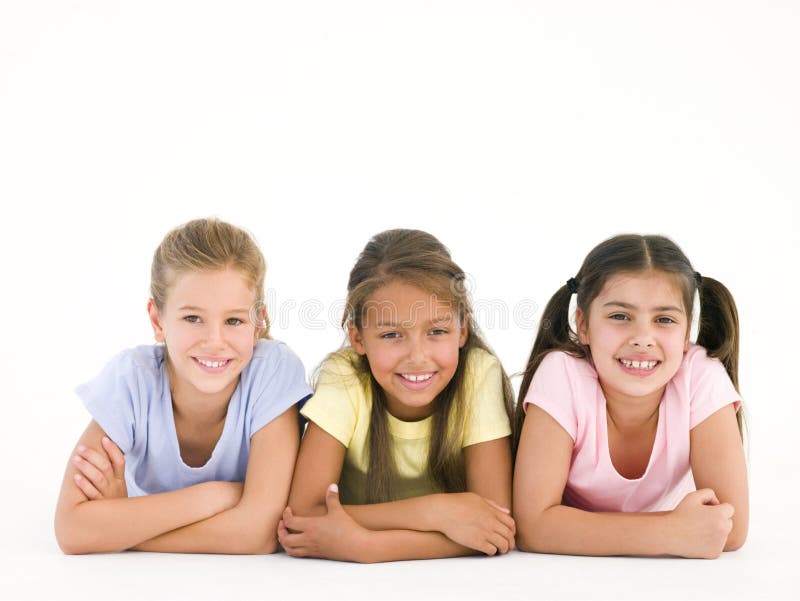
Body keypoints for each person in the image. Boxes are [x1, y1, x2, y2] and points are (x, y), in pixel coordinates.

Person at [54, 218, 311, 554]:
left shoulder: (272, 372)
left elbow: (259, 534)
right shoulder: (132, 379)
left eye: (234, 320)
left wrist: (121, 527)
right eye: (193, 318)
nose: (215, 342)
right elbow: (72, 530)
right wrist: (216, 495)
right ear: (157, 321)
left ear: (258, 322)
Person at [278, 229, 516, 562]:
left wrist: (368, 546)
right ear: (358, 338)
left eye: (437, 331)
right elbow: (303, 517)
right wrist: (435, 512)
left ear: (462, 330)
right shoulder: (344, 377)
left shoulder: (477, 374)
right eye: (392, 334)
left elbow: (497, 525)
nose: (417, 356)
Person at [513, 234, 748, 558]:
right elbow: (532, 527)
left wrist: (678, 531)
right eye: (620, 316)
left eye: (664, 319)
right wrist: (671, 533)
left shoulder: (700, 376)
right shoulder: (562, 375)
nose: (642, 338)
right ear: (583, 325)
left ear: (686, 333)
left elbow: (730, 527)